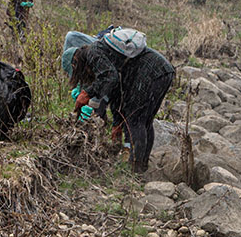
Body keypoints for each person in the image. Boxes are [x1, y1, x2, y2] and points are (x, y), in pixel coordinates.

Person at [69, 38, 175, 173]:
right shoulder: (103, 55)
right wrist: (117, 123)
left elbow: (110, 78)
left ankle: (135, 170)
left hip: (151, 70)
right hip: (163, 70)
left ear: (78, 62)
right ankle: (142, 166)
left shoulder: (93, 53)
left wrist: (87, 93)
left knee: (135, 120)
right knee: (145, 121)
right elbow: (117, 93)